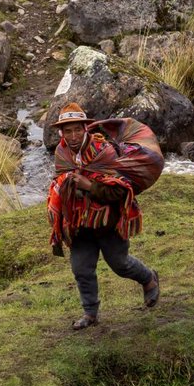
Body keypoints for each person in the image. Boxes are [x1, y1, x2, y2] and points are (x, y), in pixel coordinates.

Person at [47, 104, 163, 329]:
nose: (72, 136)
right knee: (81, 269)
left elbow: (119, 190)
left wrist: (89, 185)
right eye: (67, 131)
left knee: (120, 264)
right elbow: (60, 181)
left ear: (85, 128)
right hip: (79, 224)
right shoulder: (61, 153)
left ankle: (149, 279)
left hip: (108, 222)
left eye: (77, 130)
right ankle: (90, 314)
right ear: (62, 132)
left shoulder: (104, 151)